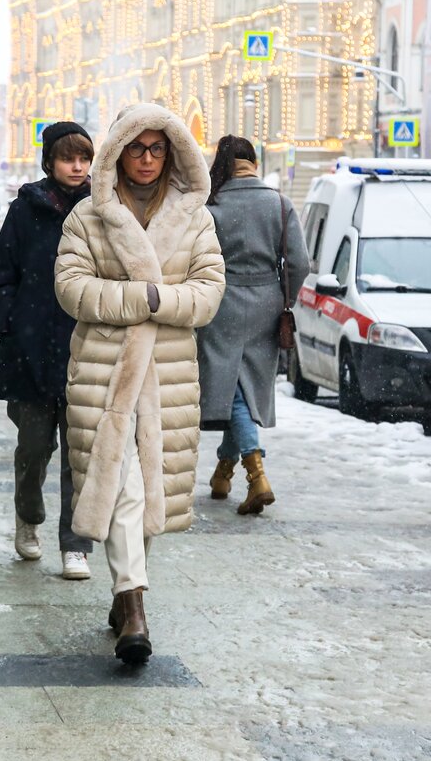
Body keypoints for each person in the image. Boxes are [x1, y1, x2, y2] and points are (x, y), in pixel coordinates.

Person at [54, 103, 225, 664]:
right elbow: (71, 288)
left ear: (172, 152)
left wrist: (160, 301)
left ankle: (128, 581)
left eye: (157, 148)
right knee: (121, 483)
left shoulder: (196, 218)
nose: (147, 159)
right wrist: (139, 299)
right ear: (118, 153)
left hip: (168, 374)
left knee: (151, 491)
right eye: (137, 148)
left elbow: (208, 293)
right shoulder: (87, 217)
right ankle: (133, 604)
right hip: (107, 371)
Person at [0, 121, 96, 580]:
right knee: (33, 447)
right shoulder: (25, 209)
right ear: (49, 161)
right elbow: (1, 274)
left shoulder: (101, 209)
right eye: (68, 157)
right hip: (29, 348)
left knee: (80, 450)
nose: (77, 166)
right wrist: (9, 325)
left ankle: (75, 544)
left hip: (85, 348)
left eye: (84, 158)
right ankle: (28, 518)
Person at [197, 136, 308, 517]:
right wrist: (283, 297)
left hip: (221, 303)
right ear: (254, 162)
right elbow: (299, 263)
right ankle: (222, 474)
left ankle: (256, 475)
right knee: (243, 385)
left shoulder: (210, 207)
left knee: (234, 390)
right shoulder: (279, 203)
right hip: (266, 303)